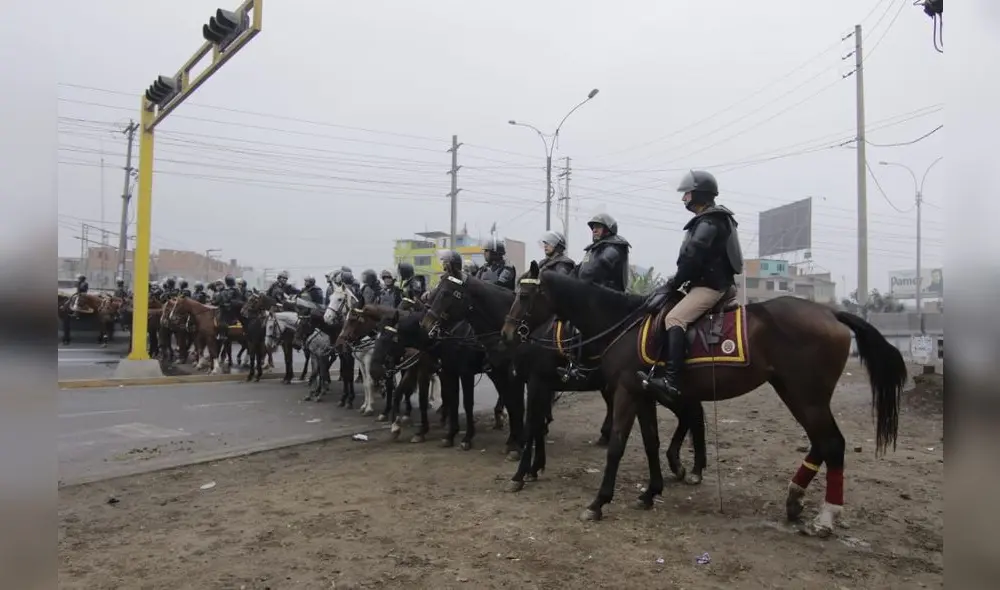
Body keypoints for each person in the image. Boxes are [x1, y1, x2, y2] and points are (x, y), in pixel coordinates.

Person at [637, 170, 744, 406]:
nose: (684, 199)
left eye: (687, 193)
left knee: (674, 319)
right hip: (703, 283)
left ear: (699, 194)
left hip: (711, 287)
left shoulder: (710, 220)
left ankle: (672, 381)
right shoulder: (711, 218)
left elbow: (694, 254)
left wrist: (675, 281)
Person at [573, 213, 630, 291]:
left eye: (598, 227)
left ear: (608, 229)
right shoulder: (593, 249)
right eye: (593, 227)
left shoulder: (614, 246)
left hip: (610, 297)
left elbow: (601, 265)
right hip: (591, 295)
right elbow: (579, 270)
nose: (594, 230)